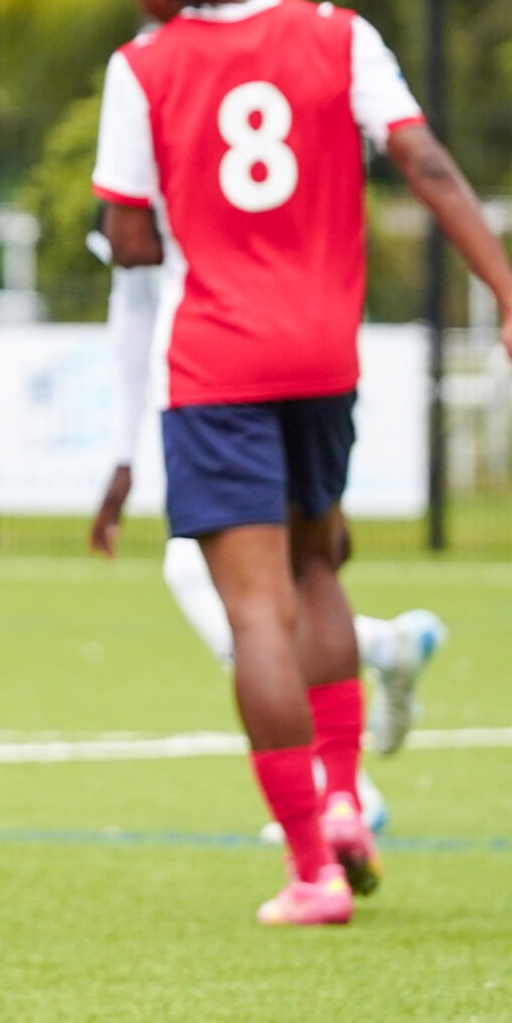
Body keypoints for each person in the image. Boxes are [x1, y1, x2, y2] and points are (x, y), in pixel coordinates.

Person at [85, 0, 512, 926]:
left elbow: (129, 249)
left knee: (254, 611)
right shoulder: (338, 32)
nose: (134, 1)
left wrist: (120, 434)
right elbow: (425, 161)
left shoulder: (142, 70)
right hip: (321, 360)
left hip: (216, 368)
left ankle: (310, 870)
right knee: (319, 568)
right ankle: (344, 799)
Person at [88, 245, 442, 835]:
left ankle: (336, 797)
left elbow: (132, 285)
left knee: (233, 582)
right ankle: (354, 753)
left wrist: (123, 453)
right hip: (280, 365)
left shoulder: (158, 165)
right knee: (277, 571)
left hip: (218, 379)